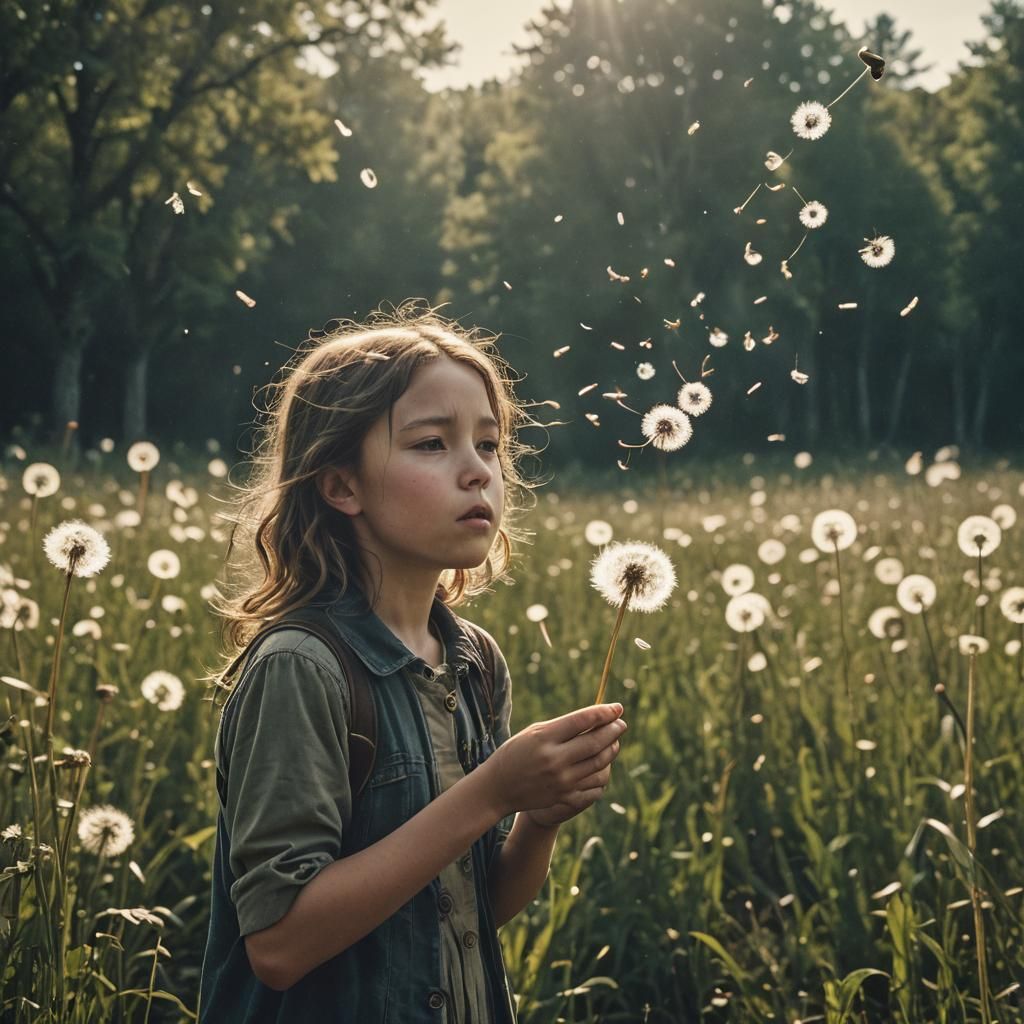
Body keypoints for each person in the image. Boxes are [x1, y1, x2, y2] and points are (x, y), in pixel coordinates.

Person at [197, 302, 628, 1022]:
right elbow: (278, 945)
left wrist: (539, 818)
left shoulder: (475, 662)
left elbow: (476, 903)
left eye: (489, 446)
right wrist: (492, 791)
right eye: (433, 444)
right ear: (341, 486)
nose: (478, 474)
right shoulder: (301, 668)